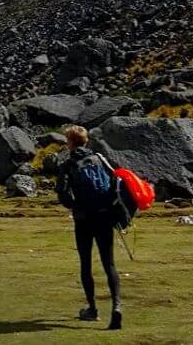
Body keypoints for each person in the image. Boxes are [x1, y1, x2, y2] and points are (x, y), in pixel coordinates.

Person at [56, 125, 123, 330]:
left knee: (86, 263)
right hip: (104, 216)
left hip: (83, 219)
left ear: (70, 143)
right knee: (109, 263)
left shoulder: (68, 165)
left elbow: (63, 193)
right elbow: (116, 181)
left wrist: (76, 206)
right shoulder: (100, 159)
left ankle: (92, 309)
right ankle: (117, 306)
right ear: (86, 141)